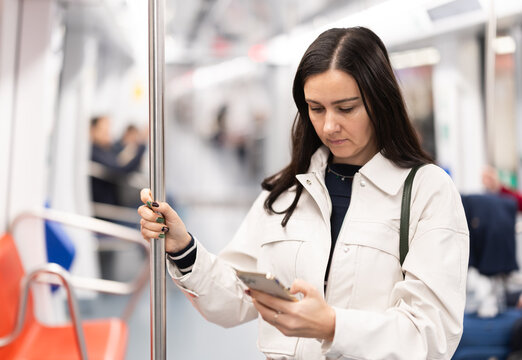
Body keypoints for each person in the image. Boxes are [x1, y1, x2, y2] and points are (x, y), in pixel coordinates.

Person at [138, 27, 469, 359]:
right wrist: (183, 248)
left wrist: (332, 326)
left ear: (380, 103)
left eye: (346, 108)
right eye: (316, 108)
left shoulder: (428, 192)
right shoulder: (287, 193)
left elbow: (431, 334)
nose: (328, 126)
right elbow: (234, 300)